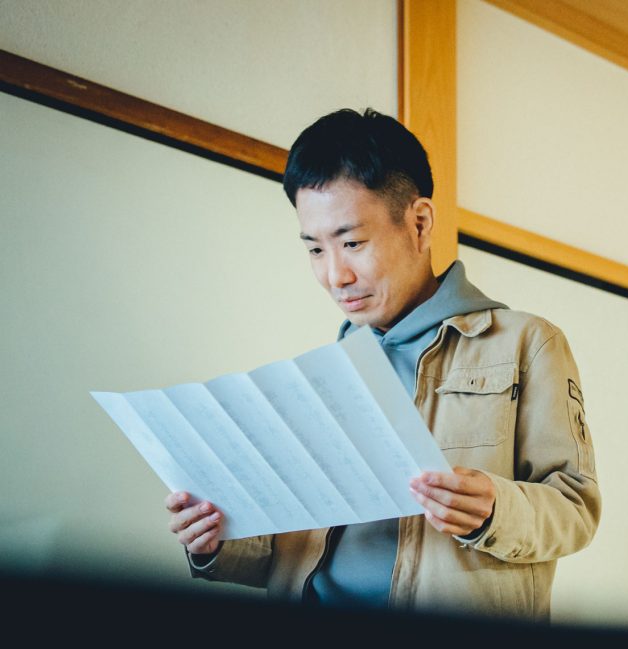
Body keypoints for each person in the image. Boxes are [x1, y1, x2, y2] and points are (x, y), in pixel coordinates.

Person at [164, 108, 600, 621]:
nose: (335, 275)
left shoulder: (526, 342)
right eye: (314, 249)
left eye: (352, 243)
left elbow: (575, 510)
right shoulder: (324, 376)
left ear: (419, 222)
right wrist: (217, 538)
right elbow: (289, 551)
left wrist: (495, 509)